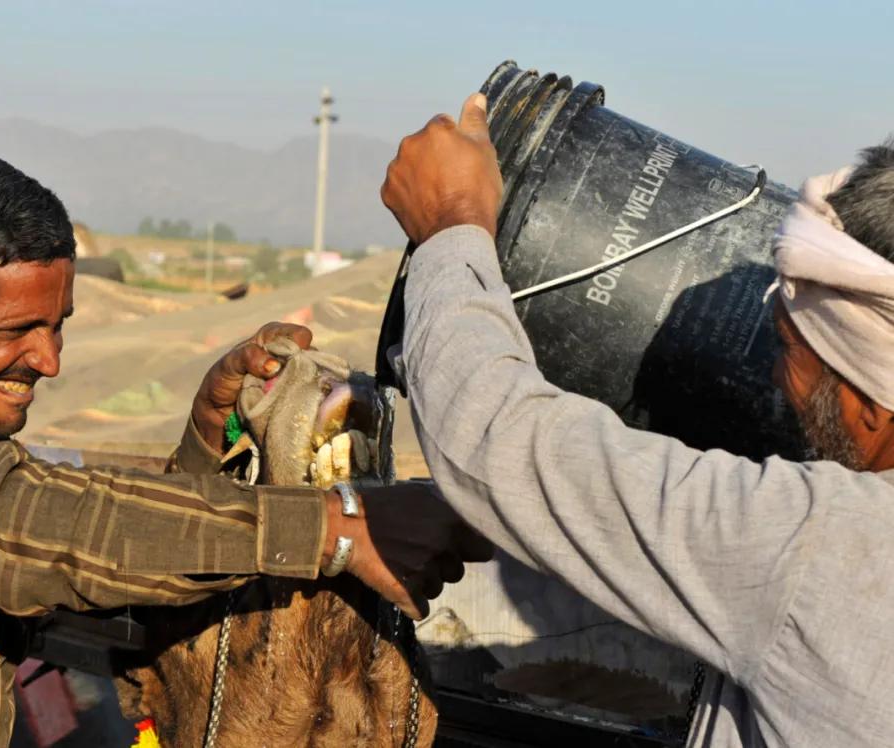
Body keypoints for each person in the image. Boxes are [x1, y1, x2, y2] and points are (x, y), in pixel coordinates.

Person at [0, 151, 486, 747]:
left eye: (58, 327)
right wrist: (336, 528)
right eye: (17, 329)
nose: (48, 361)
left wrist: (202, 440)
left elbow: (81, 571)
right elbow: (4, 528)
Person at [380, 94, 894, 747]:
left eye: (793, 352)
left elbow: (499, 442)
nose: (774, 377)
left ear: (872, 396)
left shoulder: (820, 545)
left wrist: (453, 221)